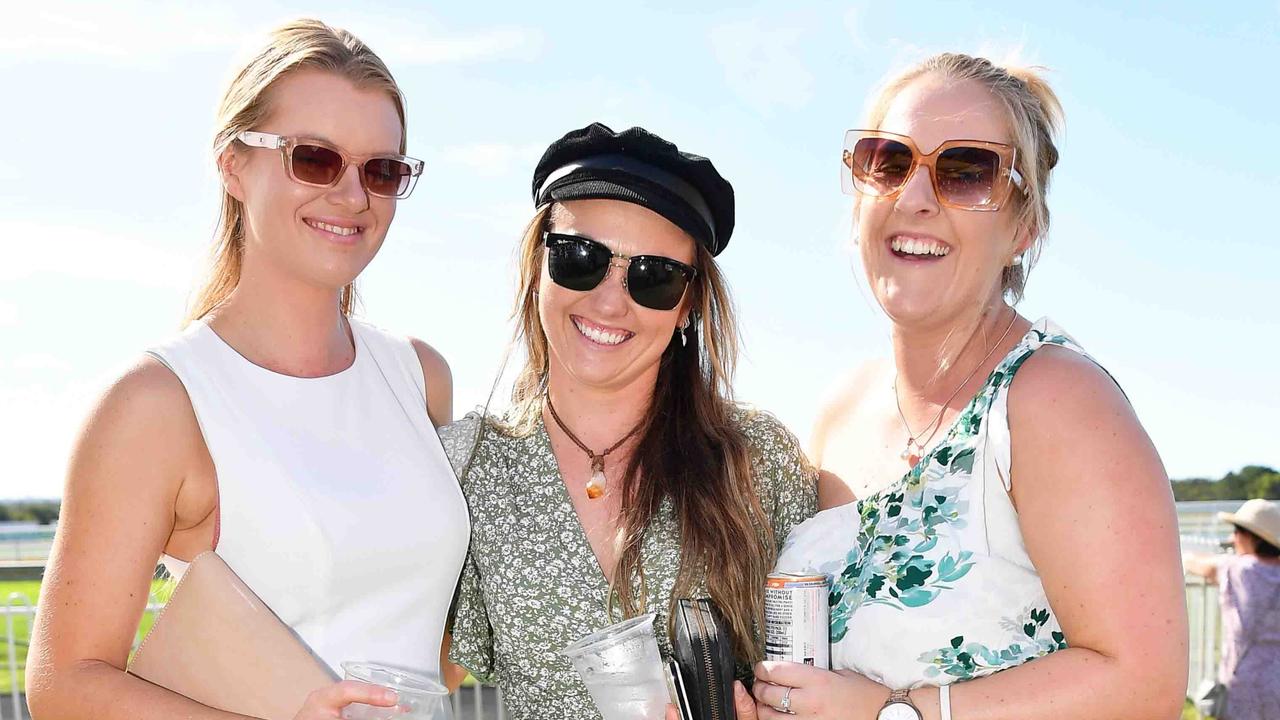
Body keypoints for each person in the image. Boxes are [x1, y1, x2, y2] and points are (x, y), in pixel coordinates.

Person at [26, 19, 468, 720]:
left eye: (382, 170)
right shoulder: (158, 402)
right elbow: (64, 684)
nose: (353, 196)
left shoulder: (419, 376)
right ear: (233, 165)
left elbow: (437, 637)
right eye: (315, 159)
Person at [751, 53, 1188, 719]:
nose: (915, 198)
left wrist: (892, 711)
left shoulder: (1053, 400)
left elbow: (1142, 686)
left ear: (1023, 227)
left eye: (965, 173)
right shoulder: (837, 412)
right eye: (889, 162)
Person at [439, 123, 817, 720]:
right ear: (538, 263)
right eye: (580, 259)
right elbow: (442, 680)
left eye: (654, 277)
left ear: (688, 305)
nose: (611, 303)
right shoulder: (467, 467)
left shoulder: (758, 459)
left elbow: (820, 684)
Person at [1186, 499, 1280, 720]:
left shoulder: (1239, 570)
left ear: (1251, 537)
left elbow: (1198, 564)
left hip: (1245, 684)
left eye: (1237, 531)